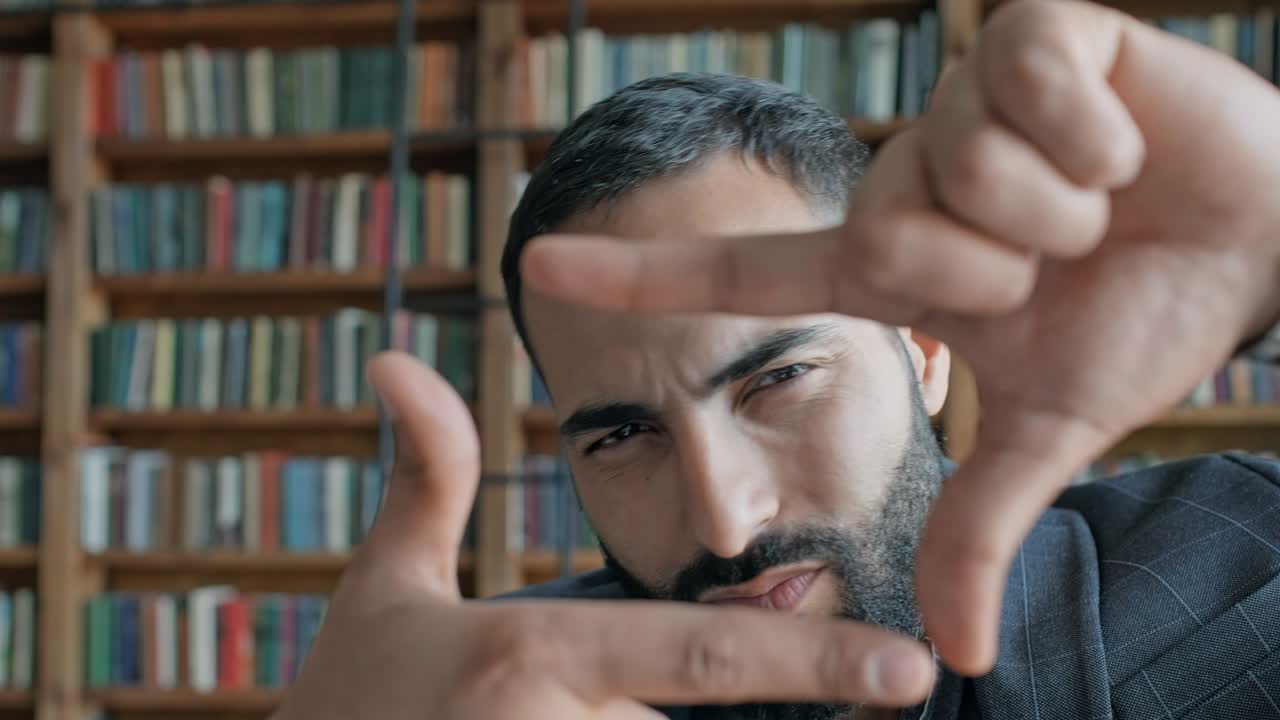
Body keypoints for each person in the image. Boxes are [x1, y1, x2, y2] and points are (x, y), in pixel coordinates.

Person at [273, 2, 1280, 719]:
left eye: (778, 378)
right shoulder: (491, 692)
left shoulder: (1241, 569)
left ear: (924, 350)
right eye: (623, 434)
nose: (722, 518)